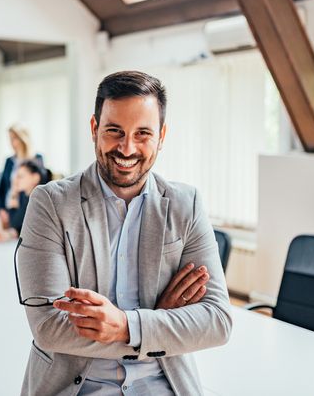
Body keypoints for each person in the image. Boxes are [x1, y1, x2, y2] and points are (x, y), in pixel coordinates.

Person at [16, 71, 232, 395]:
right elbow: (49, 327)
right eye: (114, 131)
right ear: (94, 129)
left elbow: (216, 321)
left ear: (161, 136)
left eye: (142, 133)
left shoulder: (186, 205)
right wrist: (156, 325)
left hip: (165, 385)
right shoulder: (51, 203)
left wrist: (125, 326)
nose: (127, 148)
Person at [0, 124, 43, 228]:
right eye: (10, 139)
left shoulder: (36, 159)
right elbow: (2, 188)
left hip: (28, 208)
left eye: (14, 138)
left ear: (22, 138)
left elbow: (42, 185)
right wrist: (1, 208)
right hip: (10, 206)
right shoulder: (9, 161)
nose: (12, 143)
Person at [0, 160, 49, 242]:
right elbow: (17, 226)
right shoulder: (25, 197)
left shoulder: (41, 201)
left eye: (20, 176)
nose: (15, 181)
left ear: (35, 178)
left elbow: (30, 231)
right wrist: (6, 235)